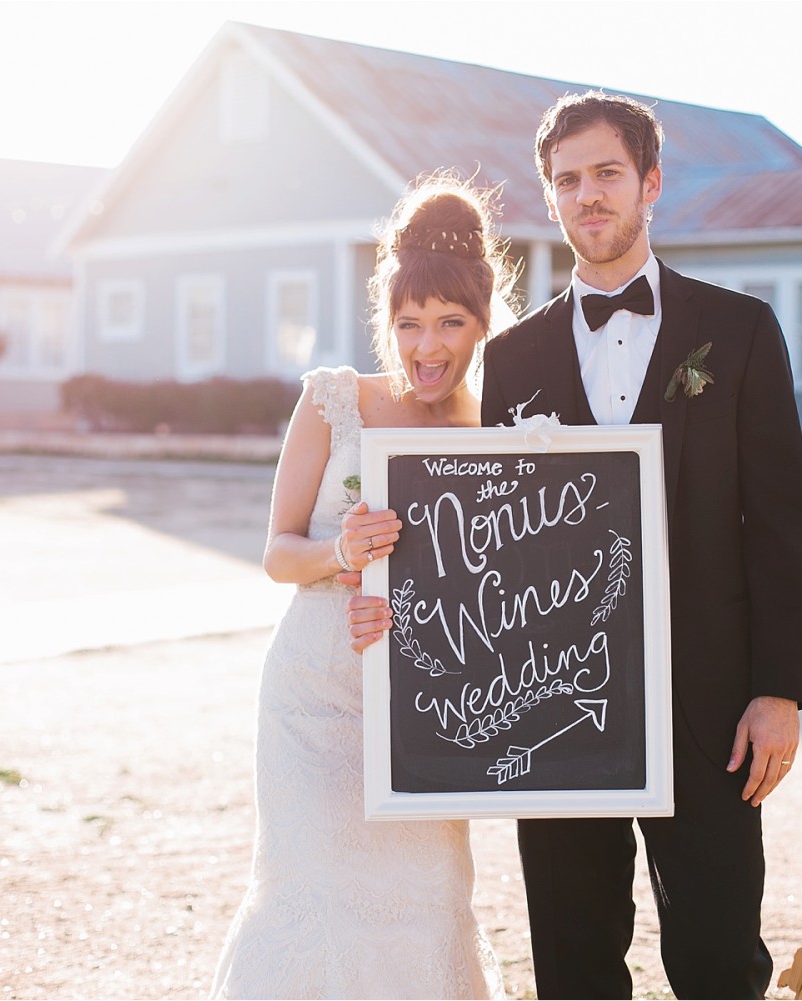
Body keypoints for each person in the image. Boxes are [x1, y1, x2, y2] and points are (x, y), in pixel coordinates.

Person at [480, 92, 802, 999]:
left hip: (710, 708)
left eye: (607, 173)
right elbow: (491, 545)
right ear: (550, 196)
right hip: (556, 710)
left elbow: (781, 521)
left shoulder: (740, 331)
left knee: (718, 959)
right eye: (567, 180)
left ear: (651, 183)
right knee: (574, 962)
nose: (587, 196)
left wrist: (779, 690)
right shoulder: (510, 359)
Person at [208, 176, 512, 1000]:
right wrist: (341, 552)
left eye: (450, 322)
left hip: (428, 705)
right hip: (314, 698)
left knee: (425, 900)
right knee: (315, 893)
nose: (426, 346)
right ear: (386, 319)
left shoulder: (493, 430)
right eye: (409, 323)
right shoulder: (333, 400)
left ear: (483, 320)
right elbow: (277, 553)